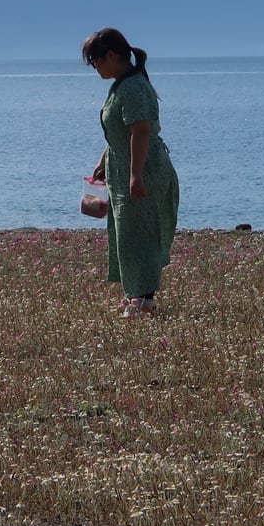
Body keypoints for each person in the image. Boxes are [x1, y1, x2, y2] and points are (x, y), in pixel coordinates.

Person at [84, 28, 180, 316]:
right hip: (122, 167)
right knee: (125, 232)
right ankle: (135, 294)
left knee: (140, 232)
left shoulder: (134, 87)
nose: (95, 68)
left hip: (143, 167)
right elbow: (120, 133)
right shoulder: (120, 86)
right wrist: (104, 161)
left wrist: (135, 175)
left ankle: (144, 298)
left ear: (112, 56)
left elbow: (141, 131)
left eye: (96, 61)